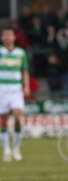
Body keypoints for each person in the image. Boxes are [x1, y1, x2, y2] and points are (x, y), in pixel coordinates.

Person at [0, 27, 30, 162]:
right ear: (2, 38)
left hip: (16, 89)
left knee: (18, 116)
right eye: (5, 35)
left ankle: (16, 148)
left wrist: (27, 86)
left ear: (14, 37)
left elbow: (25, 71)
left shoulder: (20, 53)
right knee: (3, 120)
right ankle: (6, 149)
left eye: (10, 35)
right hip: (1, 89)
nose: (7, 38)